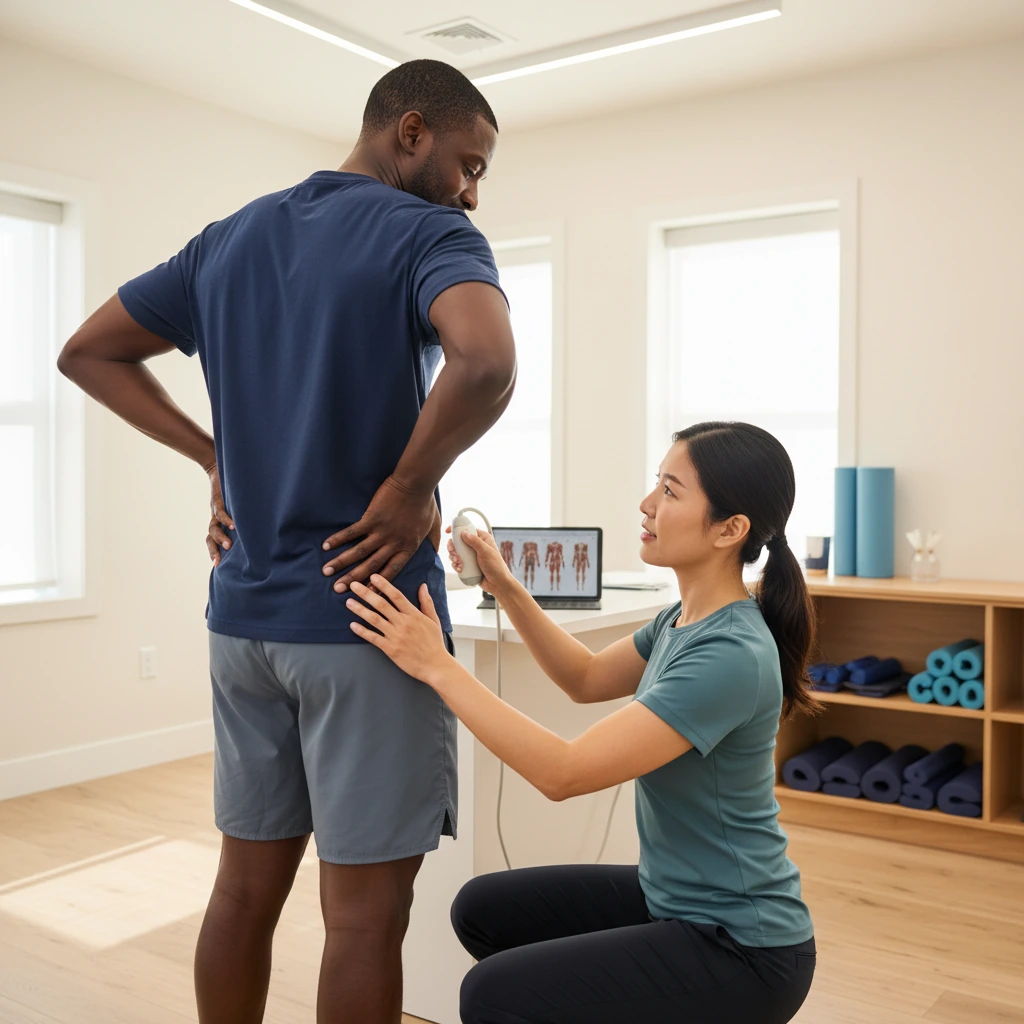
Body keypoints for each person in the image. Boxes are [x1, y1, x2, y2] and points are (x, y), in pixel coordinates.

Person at [56, 59, 516, 1024]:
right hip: (370, 622)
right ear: (412, 131)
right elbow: (486, 359)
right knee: (362, 921)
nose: (473, 194)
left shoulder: (228, 239)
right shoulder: (429, 233)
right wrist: (408, 487)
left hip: (243, 625)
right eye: (469, 165)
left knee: (240, 892)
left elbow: (87, 351)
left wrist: (211, 456)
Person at [346, 421, 818, 1024]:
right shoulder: (686, 619)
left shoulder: (730, 655)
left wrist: (438, 667)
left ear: (730, 529)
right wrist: (506, 585)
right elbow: (586, 678)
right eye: (657, 483)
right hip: (675, 899)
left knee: (491, 996)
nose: (647, 504)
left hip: (742, 947)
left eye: (671, 492)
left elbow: (563, 773)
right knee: (481, 910)